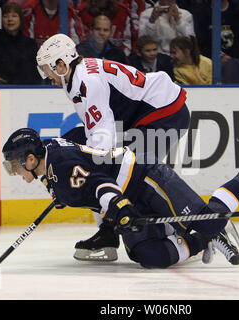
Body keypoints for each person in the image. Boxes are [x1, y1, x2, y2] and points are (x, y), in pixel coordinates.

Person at [1, 127, 239, 269]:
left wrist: (119, 209)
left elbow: (101, 186)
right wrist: (65, 191)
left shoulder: (60, 166)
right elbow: (79, 144)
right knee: (148, 256)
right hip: (130, 194)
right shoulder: (50, 159)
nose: (13, 171)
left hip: (145, 178)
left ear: (29, 159)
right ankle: (201, 238)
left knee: (208, 221)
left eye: (14, 164)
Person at [36, 33, 190, 262]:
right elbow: (94, 133)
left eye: (46, 68)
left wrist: (81, 172)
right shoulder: (75, 77)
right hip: (142, 118)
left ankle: (190, 225)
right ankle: (108, 232)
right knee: (77, 150)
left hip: (163, 114)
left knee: (130, 173)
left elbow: (102, 139)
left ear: (61, 63)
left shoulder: (87, 81)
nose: (45, 75)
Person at [0, 2, 42, 85]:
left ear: (20, 19)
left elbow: (35, 74)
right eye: (6, 16)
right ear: (1, 20)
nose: (10, 19)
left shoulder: (30, 44)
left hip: (27, 90)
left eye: (14, 16)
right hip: (2, 89)